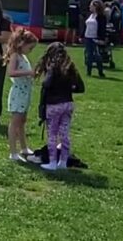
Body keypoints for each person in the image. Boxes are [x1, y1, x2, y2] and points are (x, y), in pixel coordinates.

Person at [34, 42, 85, 171]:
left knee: (52, 135)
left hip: (53, 105)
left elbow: (46, 84)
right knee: (64, 134)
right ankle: (63, 161)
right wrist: (68, 88)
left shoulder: (53, 68)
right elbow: (81, 87)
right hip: (68, 104)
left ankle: (52, 162)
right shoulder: (70, 67)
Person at [4, 29, 38, 161]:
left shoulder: (23, 56)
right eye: (30, 48)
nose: (31, 51)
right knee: (15, 122)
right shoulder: (15, 56)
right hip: (18, 93)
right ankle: (13, 152)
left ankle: (24, 147)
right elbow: (11, 72)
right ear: (22, 44)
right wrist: (28, 73)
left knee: (22, 121)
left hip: (25, 94)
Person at [83, 0, 107, 78]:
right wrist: (82, 36)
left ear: (95, 7)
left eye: (91, 5)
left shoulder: (101, 17)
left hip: (95, 38)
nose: (89, 7)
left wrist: (101, 39)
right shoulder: (90, 15)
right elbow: (86, 26)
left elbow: (102, 28)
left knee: (97, 55)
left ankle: (100, 71)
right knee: (89, 55)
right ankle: (89, 71)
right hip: (88, 38)